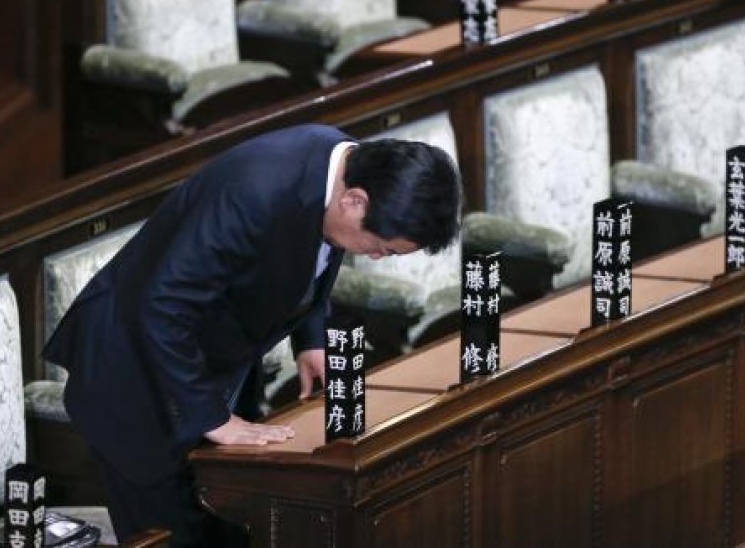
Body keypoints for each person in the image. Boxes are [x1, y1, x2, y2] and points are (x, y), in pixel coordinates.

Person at [43, 123, 462, 546]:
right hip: (134, 377)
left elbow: (317, 250)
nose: (375, 257)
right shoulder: (255, 189)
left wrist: (311, 338)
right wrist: (211, 418)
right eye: (381, 248)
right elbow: (162, 307)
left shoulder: (344, 169)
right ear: (355, 201)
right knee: (181, 538)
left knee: (234, 521)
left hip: (213, 362)